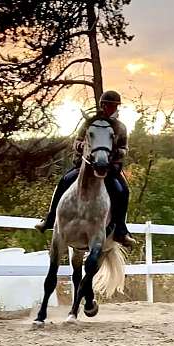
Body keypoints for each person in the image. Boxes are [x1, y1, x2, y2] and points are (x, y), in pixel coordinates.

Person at [35, 90, 136, 248]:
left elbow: (125, 148)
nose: (110, 108)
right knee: (64, 181)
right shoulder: (89, 122)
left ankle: (121, 230)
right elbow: (77, 141)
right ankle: (50, 218)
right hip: (87, 166)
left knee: (122, 190)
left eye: (113, 106)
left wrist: (117, 151)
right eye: (107, 105)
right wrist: (84, 146)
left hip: (109, 168)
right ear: (102, 105)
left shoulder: (120, 127)